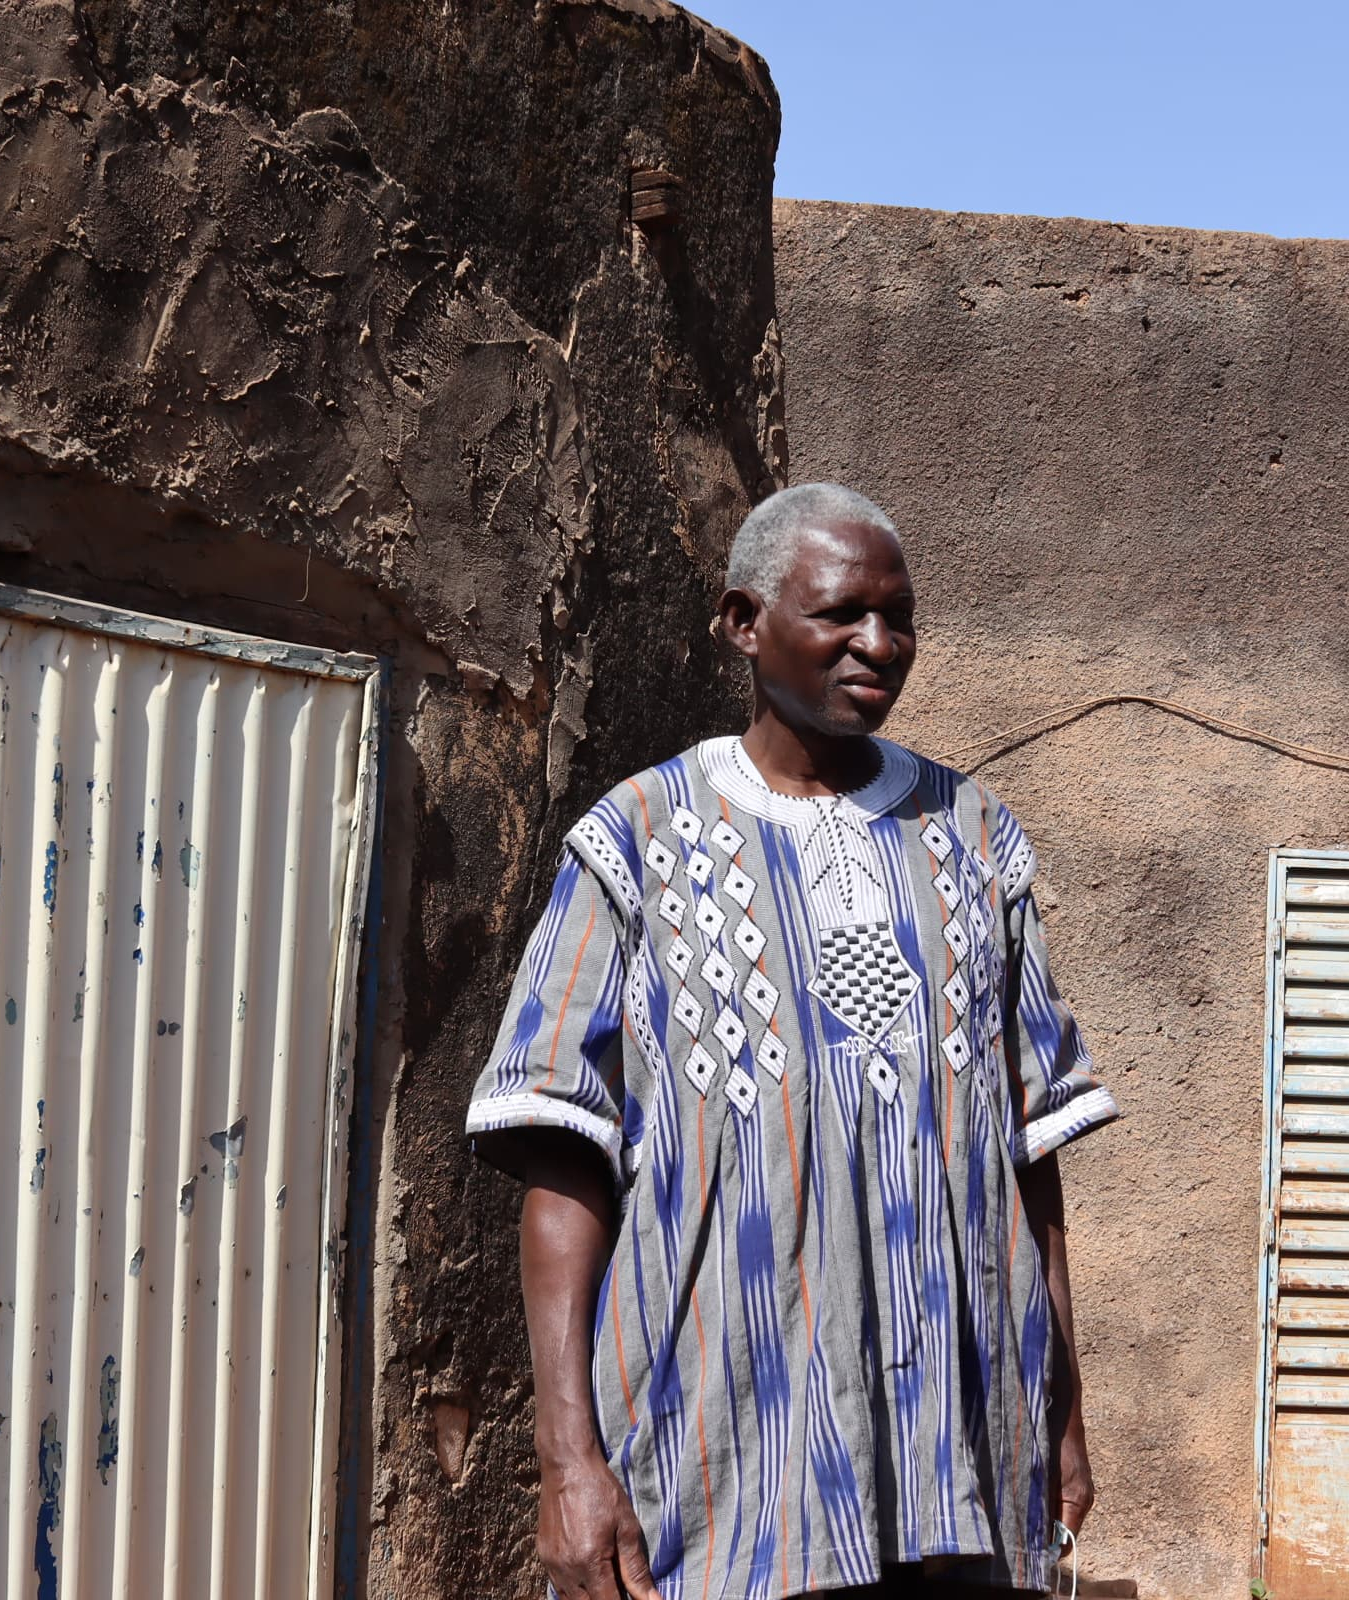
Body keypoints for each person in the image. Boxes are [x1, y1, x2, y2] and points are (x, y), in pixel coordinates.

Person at [465, 483, 1119, 1600]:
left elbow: (1027, 1154)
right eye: (841, 613)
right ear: (742, 621)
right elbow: (562, 1158)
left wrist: (1061, 1408)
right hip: (725, 1464)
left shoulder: (974, 836)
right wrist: (566, 1456)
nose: (880, 644)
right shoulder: (637, 841)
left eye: (899, 616)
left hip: (959, 1456)